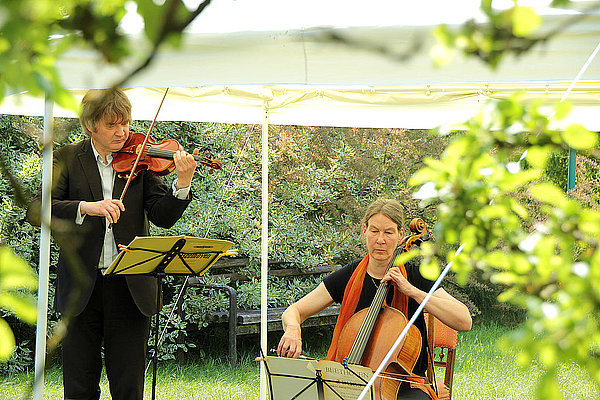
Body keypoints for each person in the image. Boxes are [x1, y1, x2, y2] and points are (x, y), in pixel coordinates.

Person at [27, 88, 200, 400]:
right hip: (81, 288)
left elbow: (162, 216)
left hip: (130, 288)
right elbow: (36, 209)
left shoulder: (141, 160)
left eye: (127, 123)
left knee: (128, 388)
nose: (123, 132)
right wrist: (86, 207)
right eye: (112, 125)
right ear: (91, 125)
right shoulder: (67, 158)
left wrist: (182, 185)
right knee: (79, 388)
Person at [277, 198, 472, 399]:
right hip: (350, 383)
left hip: (405, 386)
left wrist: (412, 291)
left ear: (400, 235)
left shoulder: (415, 277)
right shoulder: (349, 276)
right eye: (374, 231)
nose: (380, 240)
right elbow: (294, 311)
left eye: (388, 232)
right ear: (364, 231)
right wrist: (293, 329)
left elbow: (464, 320)